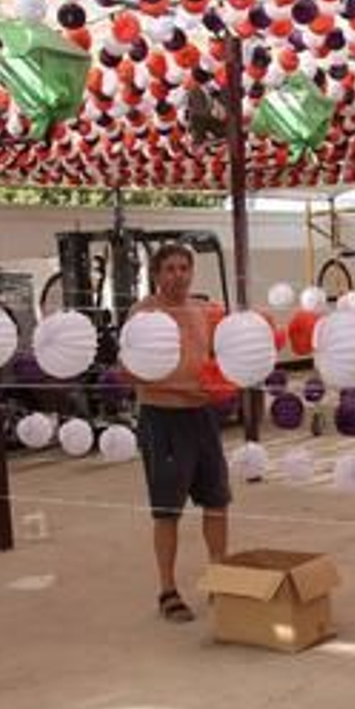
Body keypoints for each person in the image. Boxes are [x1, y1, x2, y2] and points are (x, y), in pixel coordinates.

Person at [128, 243, 231, 623]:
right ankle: (167, 590)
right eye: (170, 268)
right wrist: (183, 389)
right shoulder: (143, 315)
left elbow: (215, 359)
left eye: (184, 268)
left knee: (217, 501)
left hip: (201, 416)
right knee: (168, 509)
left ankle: (219, 578)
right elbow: (131, 371)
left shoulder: (201, 311)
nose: (178, 275)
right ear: (157, 274)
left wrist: (221, 383)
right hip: (163, 418)